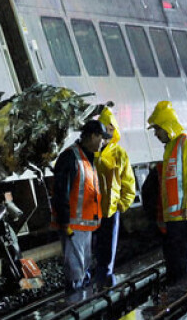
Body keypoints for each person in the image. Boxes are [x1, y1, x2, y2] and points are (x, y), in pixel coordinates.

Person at [147, 100, 187, 283]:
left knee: (183, 264)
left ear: (168, 126)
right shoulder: (172, 147)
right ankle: (183, 299)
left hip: (186, 215)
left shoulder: (186, 144)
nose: (156, 134)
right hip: (176, 217)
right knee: (177, 263)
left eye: (158, 129)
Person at [52, 119, 111, 292]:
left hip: (85, 226)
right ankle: (74, 303)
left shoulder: (87, 158)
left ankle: (81, 301)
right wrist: (65, 222)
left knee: (82, 267)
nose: (103, 142)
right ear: (93, 136)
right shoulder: (71, 157)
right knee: (75, 270)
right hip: (72, 226)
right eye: (102, 138)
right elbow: (60, 192)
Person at [94, 106, 136, 287]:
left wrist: (122, 204)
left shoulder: (119, 154)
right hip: (91, 210)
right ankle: (94, 281)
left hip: (111, 210)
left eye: (111, 129)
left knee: (106, 251)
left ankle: (105, 282)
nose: (108, 132)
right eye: (105, 128)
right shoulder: (91, 152)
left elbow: (128, 182)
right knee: (92, 249)